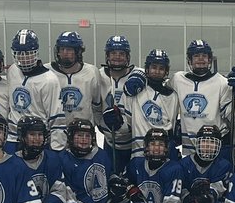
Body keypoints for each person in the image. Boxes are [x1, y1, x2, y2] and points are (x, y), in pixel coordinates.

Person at [170, 39, 233, 160]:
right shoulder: (177, 79)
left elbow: (230, 115)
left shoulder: (222, 82)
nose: (200, 59)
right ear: (190, 60)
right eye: (196, 56)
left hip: (214, 144)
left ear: (210, 59)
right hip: (189, 148)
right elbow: (160, 91)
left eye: (204, 56)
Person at [6, 29, 63, 150]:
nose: (24, 57)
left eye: (28, 53)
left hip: (37, 139)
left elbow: (56, 118)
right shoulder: (12, 71)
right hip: (12, 138)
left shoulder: (49, 80)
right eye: (20, 53)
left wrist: (57, 149)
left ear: (36, 53)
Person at [118, 48, 180, 160]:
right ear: (147, 69)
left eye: (161, 68)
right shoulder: (136, 89)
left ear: (166, 71)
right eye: (154, 67)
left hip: (162, 152)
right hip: (139, 154)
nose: (157, 71)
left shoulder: (173, 96)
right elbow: (125, 122)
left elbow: (171, 125)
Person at [50, 31, 105, 151]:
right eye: (62, 49)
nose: (65, 53)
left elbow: (96, 106)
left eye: (69, 50)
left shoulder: (92, 72)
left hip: (84, 136)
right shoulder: (48, 72)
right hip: (56, 136)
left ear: (78, 52)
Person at [96, 35, 137, 172]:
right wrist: (102, 124)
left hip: (134, 144)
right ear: (107, 56)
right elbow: (94, 106)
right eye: (113, 53)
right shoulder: (98, 76)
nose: (117, 57)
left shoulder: (137, 75)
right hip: (110, 143)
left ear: (128, 57)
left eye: (121, 54)